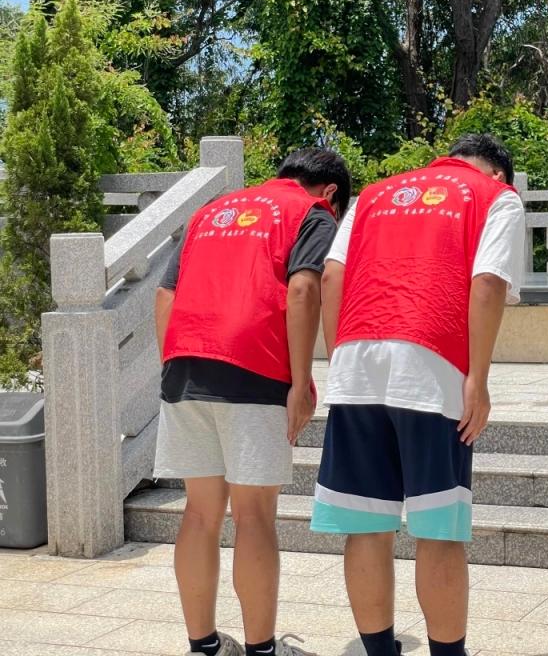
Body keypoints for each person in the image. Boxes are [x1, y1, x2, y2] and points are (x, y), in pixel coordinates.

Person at [310, 133, 526, 656]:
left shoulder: (374, 195)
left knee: (365, 526)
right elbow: (488, 283)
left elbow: (332, 275)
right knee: (438, 529)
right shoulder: (496, 196)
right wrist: (477, 380)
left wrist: (342, 360)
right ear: (499, 172)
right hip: (433, 369)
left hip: (356, 363)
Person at [154, 148, 352, 656]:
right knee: (253, 516)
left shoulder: (210, 211)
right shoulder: (312, 213)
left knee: (200, 513)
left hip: (184, 364)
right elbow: (304, 288)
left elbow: (165, 295)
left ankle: (203, 646)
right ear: (330, 192)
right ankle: (263, 650)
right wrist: (301, 382)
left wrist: (172, 366)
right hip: (254, 366)